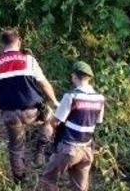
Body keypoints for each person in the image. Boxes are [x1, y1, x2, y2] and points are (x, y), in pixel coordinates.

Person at [0, 28, 59, 183]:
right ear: (18, 42)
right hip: (31, 110)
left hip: (9, 114)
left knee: (16, 147)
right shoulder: (28, 59)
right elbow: (44, 84)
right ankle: (40, 151)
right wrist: (54, 101)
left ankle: (20, 181)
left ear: (2, 45)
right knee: (50, 118)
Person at [40, 61, 105, 191]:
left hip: (69, 149)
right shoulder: (100, 98)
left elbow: (55, 122)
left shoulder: (71, 96)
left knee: (48, 179)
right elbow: (96, 121)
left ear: (74, 76)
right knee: (80, 188)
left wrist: (50, 117)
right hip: (87, 150)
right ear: (89, 78)